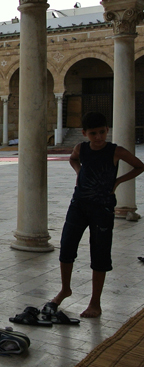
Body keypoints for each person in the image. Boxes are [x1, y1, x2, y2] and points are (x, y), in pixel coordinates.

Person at [51, 112, 144, 318]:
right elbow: (73, 160)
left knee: (100, 253)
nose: (99, 137)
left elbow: (139, 166)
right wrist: (78, 172)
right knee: (67, 246)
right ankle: (65, 289)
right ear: (85, 133)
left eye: (102, 132)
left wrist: (118, 181)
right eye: (94, 133)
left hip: (102, 209)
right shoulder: (80, 149)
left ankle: (95, 302)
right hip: (79, 205)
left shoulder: (115, 151)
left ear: (107, 130)